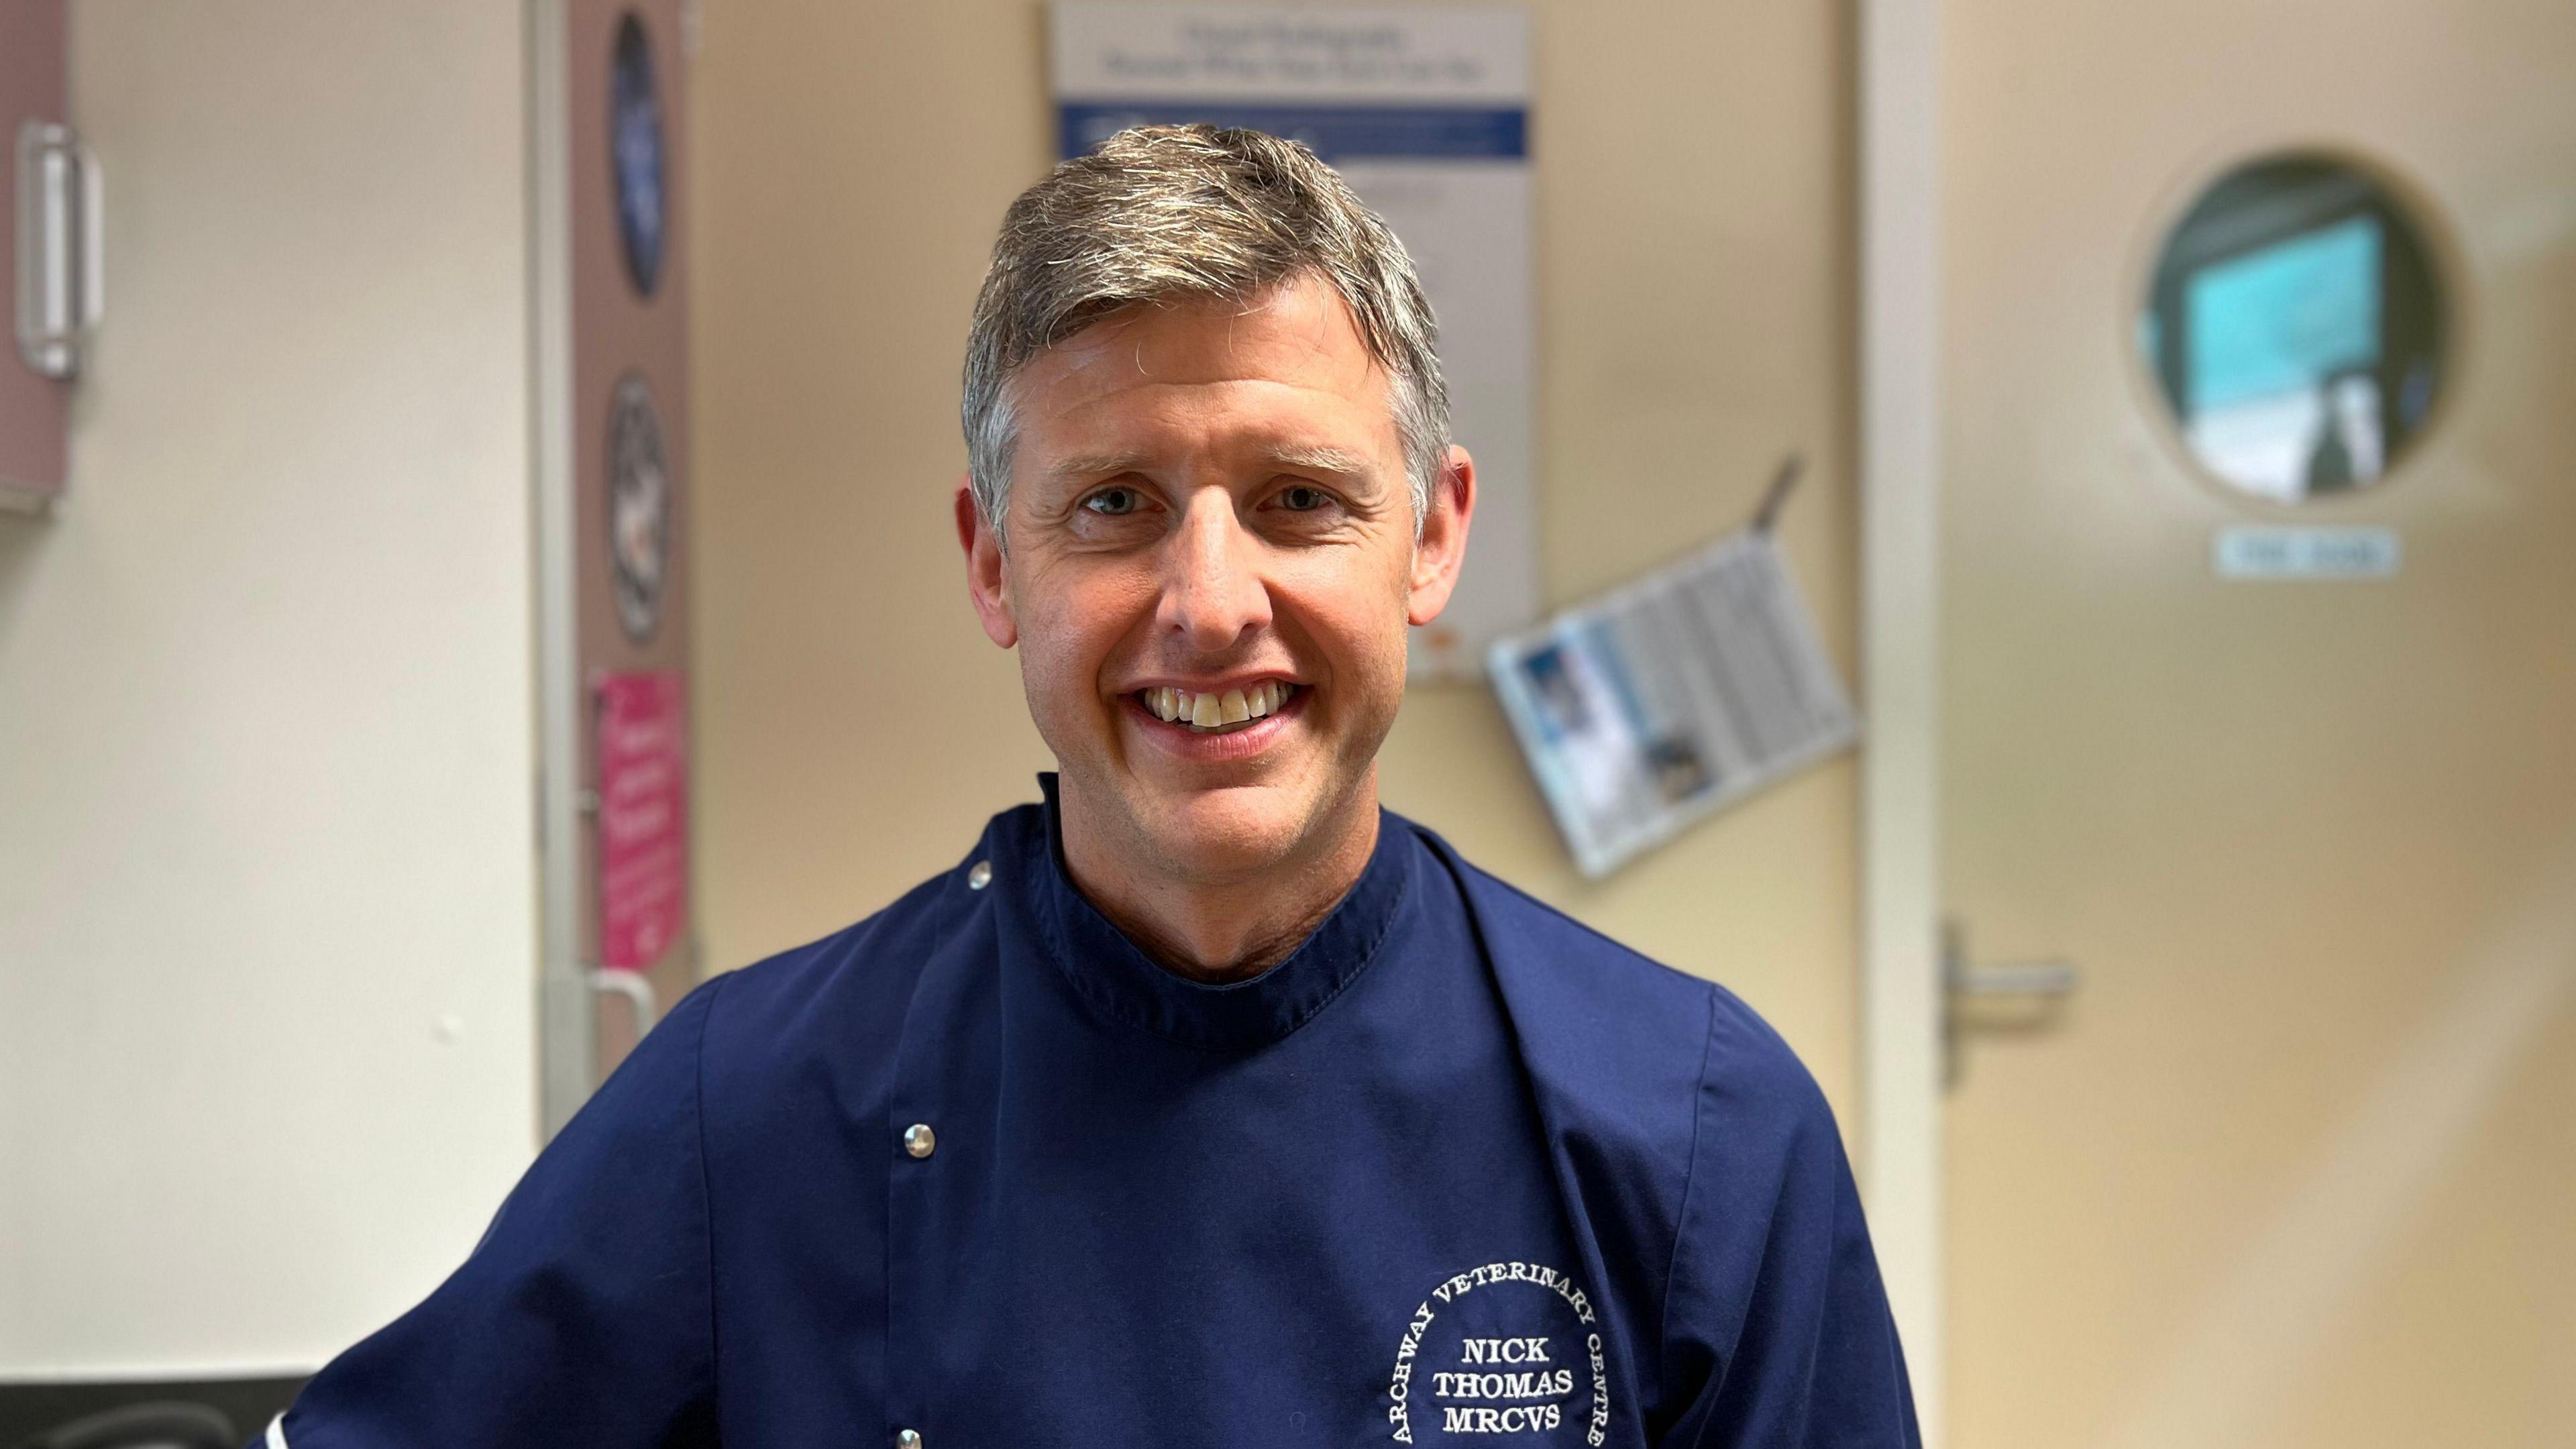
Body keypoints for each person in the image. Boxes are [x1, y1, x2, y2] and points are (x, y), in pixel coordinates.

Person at [259, 125, 1918, 1449]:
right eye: (1115, 504)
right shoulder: (747, 1109)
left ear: (1432, 536)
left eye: (1298, 501)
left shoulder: (1693, 1131)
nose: (1209, 602)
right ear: (995, 564)